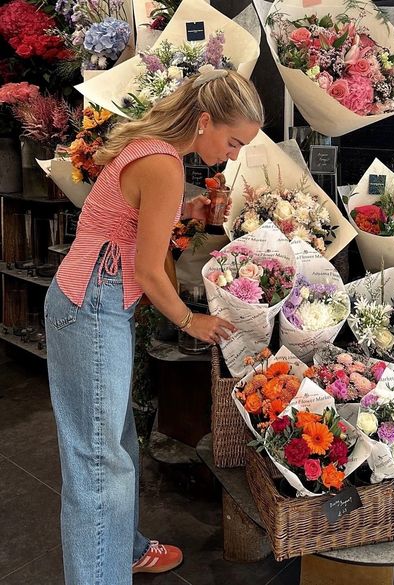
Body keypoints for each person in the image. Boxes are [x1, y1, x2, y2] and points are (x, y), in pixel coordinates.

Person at [44, 66, 264, 585]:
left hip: (89, 304)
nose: (233, 155)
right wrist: (195, 322)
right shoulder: (163, 163)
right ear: (205, 120)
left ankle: (120, 548)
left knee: (112, 446)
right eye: (233, 142)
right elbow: (146, 270)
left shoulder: (150, 146)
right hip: (91, 310)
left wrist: (184, 211)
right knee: (98, 464)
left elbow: (128, 220)